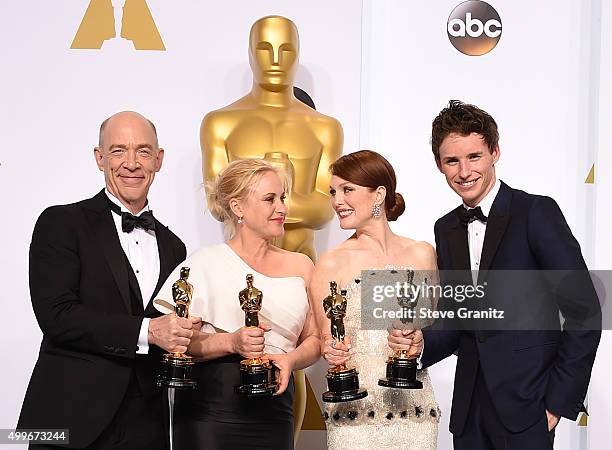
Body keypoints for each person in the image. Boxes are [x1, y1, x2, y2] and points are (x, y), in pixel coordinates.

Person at [389, 100, 601, 449]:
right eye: (452, 160)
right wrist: (421, 344)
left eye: (474, 156)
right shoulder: (446, 228)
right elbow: (458, 318)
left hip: (528, 406)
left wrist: (556, 402)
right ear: (439, 164)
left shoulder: (536, 212)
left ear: (495, 152)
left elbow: (585, 311)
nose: (464, 171)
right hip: (470, 412)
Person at [17, 111, 197, 450]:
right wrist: (148, 331)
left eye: (143, 151)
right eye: (118, 150)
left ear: (158, 160)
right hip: (69, 418)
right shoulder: (60, 223)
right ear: (99, 158)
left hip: (147, 423)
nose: (131, 163)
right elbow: (57, 317)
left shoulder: (175, 246)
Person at [153, 159, 320, 450]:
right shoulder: (203, 263)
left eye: (282, 198)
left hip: (275, 404)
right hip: (211, 407)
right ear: (237, 207)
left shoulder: (301, 266)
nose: (282, 208)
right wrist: (231, 342)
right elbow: (177, 344)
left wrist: (290, 360)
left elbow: (316, 339)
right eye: (269, 199)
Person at [311, 150, 440, 450]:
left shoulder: (422, 253)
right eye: (333, 192)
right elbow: (325, 341)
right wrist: (329, 348)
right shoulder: (331, 264)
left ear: (379, 194)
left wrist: (417, 338)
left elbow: (435, 331)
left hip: (414, 410)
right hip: (355, 412)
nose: (337, 201)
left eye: (347, 190)